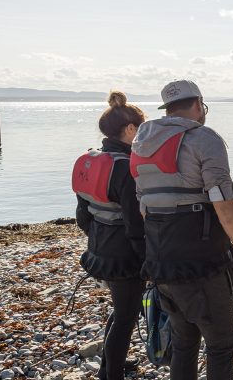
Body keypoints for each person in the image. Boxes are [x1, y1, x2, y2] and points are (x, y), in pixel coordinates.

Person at [130, 79, 233, 380]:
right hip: (202, 263)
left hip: (160, 262)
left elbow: (144, 206)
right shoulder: (205, 139)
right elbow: (224, 205)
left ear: (167, 109)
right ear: (199, 104)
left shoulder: (140, 144)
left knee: (184, 341)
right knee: (222, 344)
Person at [73, 91, 148, 380]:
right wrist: (147, 260)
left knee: (122, 310)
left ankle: (109, 362)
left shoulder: (92, 160)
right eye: (140, 128)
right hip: (124, 257)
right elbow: (134, 225)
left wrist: (99, 238)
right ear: (130, 129)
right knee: (126, 317)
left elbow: (83, 215)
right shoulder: (126, 168)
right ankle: (110, 374)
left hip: (98, 249)